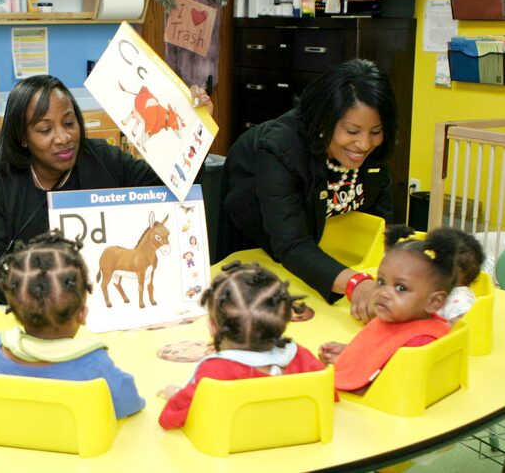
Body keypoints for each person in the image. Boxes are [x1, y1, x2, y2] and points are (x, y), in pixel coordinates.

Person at [0, 74, 212, 303]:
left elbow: (174, 186)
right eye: (45, 129)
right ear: (22, 137)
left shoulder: (104, 160)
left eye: (69, 123)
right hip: (30, 319)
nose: (63, 137)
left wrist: (196, 129)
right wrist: (36, 287)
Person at [217, 58, 398, 322]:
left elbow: (384, 225)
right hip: (261, 255)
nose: (363, 144)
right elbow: (291, 243)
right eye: (352, 131)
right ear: (326, 121)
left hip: (322, 258)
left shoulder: (374, 150)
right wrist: (357, 284)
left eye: (376, 131)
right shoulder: (279, 149)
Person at [0, 229, 145, 419]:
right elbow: (130, 403)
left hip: (10, 447)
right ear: (82, 314)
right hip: (81, 449)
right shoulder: (96, 365)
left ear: (15, 312)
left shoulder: (0, 349)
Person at [157, 261, 326, 429]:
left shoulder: (213, 372)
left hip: (229, 452)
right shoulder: (300, 357)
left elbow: (169, 420)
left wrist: (176, 397)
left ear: (213, 327)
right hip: (299, 446)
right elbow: (327, 396)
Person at [318, 226, 456, 393]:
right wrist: (351, 353)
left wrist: (352, 368)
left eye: (401, 288)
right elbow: (383, 352)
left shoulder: (421, 341)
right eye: (382, 281)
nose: (383, 292)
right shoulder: (396, 316)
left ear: (434, 301)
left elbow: (387, 388)